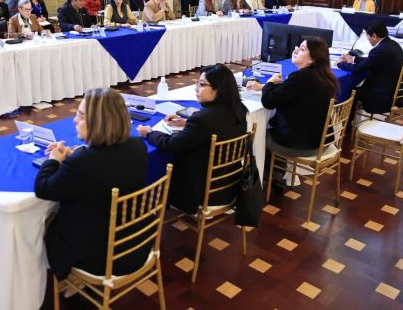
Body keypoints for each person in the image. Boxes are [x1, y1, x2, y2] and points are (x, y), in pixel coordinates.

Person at [35, 88, 150, 281]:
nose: (74, 120)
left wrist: (53, 160)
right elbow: (105, 165)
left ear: (99, 122)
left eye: (80, 116)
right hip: (137, 243)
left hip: (100, 257)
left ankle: (62, 279)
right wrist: (75, 155)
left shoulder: (82, 163)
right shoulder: (138, 146)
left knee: (43, 222)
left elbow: (43, 188)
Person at [137, 64, 247, 214]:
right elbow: (215, 128)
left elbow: (172, 144)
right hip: (229, 185)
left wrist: (149, 133)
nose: (196, 89)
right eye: (197, 83)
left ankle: (144, 212)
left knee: (157, 164)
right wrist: (188, 123)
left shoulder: (204, 119)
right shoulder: (238, 109)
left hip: (200, 191)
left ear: (218, 89)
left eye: (202, 85)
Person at [247, 37, 337, 152]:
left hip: (303, 144)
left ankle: (266, 170)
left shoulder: (301, 77)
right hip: (320, 140)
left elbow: (268, 101)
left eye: (302, 49)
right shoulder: (321, 75)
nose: (296, 51)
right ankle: (276, 169)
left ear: (312, 59)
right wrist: (263, 87)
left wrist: (269, 82)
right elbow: (291, 91)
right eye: (298, 48)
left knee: (257, 135)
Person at [337, 21, 403, 115]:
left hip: (384, 96)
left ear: (374, 36)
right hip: (395, 91)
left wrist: (340, 64)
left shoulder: (380, 50)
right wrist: (353, 58)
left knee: (350, 92)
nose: (368, 39)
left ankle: (347, 125)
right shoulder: (393, 44)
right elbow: (372, 61)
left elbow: (357, 69)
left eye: (368, 37)